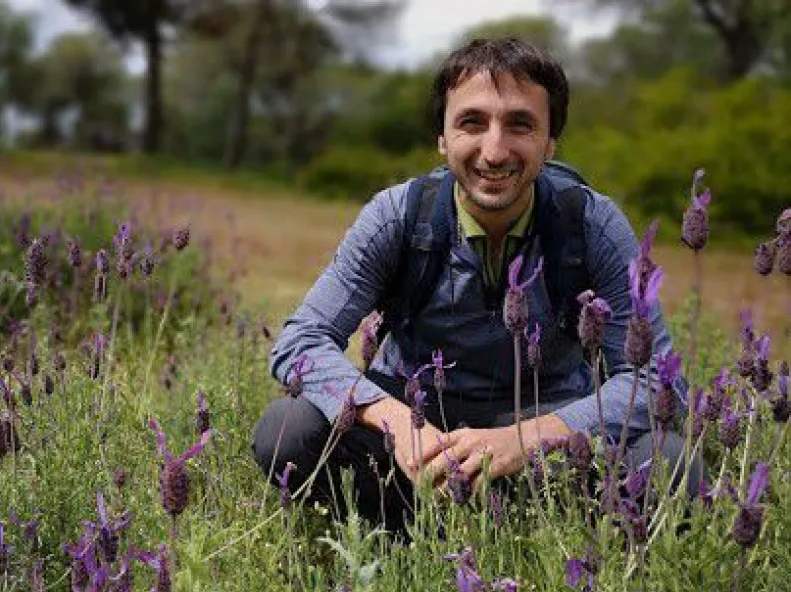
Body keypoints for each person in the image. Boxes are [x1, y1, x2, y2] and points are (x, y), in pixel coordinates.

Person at [252, 37, 696, 534]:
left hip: (549, 438)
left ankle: (553, 540)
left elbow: (658, 379)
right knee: (287, 430)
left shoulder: (591, 224)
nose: (494, 149)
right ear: (442, 137)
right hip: (418, 434)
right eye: (471, 122)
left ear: (551, 141)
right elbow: (301, 343)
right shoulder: (396, 216)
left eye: (520, 125)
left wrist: (527, 439)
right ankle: (398, 536)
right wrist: (397, 422)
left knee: (672, 464)